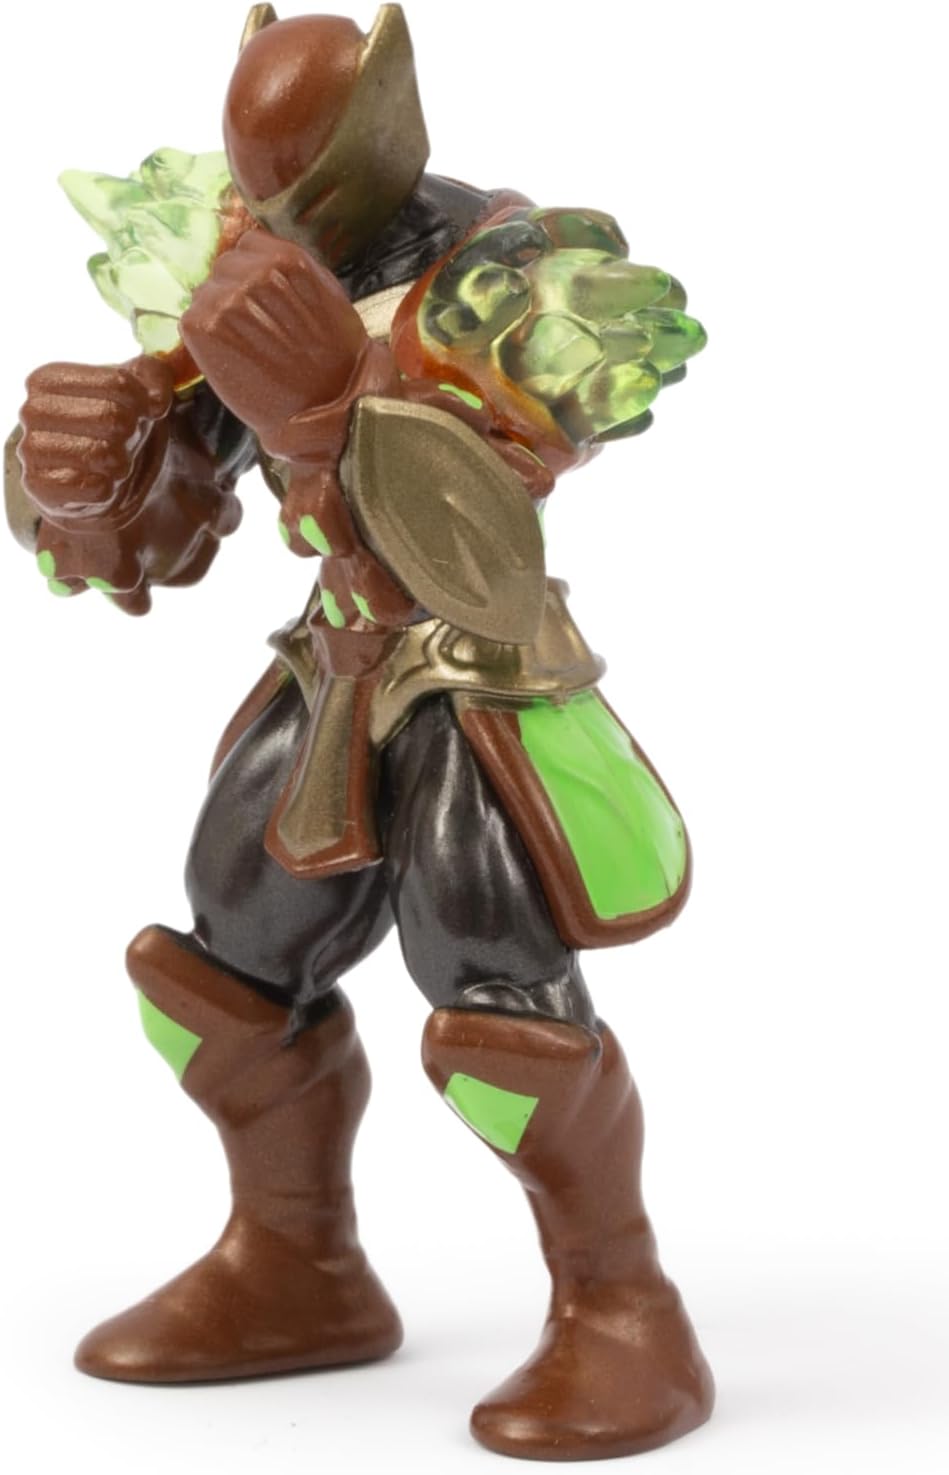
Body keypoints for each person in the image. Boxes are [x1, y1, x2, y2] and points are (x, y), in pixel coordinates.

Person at [5, 5, 713, 1460]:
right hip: (330, 668)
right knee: (219, 969)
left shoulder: (510, 281)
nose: (275, 212)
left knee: (497, 1004)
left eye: (306, 181)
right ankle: (294, 1267)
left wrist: (334, 401)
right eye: (257, 180)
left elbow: (482, 548)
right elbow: (161, 524)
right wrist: (78, 479)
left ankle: (623, 1308)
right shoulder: (241, 255)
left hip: (479, 685)